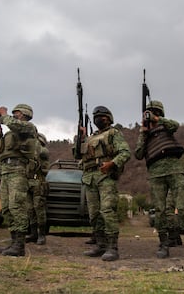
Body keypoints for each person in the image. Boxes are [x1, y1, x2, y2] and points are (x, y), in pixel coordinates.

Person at [135, 100, 184, 259]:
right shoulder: (145, 133)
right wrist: (143, 131)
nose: (151, 115)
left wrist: (157, 120)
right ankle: (163, 244)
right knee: (160, 210)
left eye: (154, 112)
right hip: (156, 174)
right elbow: (139, 154)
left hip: (174, 170)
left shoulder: (166, 126)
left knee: (182, 206)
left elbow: (175, 125)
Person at [75, 106, 131, 262]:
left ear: (109, 119)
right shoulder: (90, 138)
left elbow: (125, 152)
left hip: (105, 175)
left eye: (102, 117)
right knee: (94, 214)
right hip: (89, 177)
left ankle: (112, 247)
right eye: (97, 117)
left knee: (107, 210)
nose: (99, 119)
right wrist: (80, 138)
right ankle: (100, 245)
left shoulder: (114, 134)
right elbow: (77, 154)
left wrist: (112, 164)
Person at [0, 104, 37, 257]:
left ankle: (19, 246)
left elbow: (15, 125)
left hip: (18, 170)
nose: (14, 115)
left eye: (16, 113)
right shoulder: (11, 133)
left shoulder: (28, 127)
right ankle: (14, 242)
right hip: (6, 171)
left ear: (25, 114)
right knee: (6, 207)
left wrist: (4, 115)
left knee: (16, 206)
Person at [26, 132, 50, 245]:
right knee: (30, 209)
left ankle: (42, 234)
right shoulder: (30, 150)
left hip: (39, 182)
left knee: (39, 209)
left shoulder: (42, 150)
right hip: (28, 181)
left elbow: (39, 155)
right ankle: (33, 233)